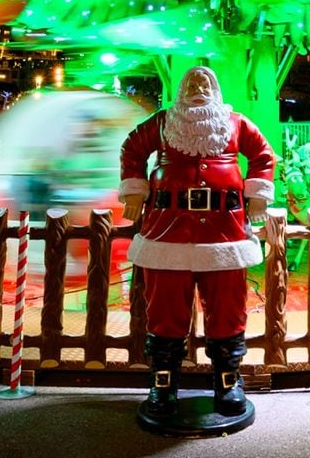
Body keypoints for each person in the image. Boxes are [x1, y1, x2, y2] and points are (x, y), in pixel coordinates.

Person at [118, 65, 275, 420]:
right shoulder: (161, 123)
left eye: (204, 82)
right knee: (164, 311)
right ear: (180, 89)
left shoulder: (234, 123)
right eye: (192, 82)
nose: (198, 87)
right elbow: (132, 149)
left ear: (215, 89)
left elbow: (263, 155)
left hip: (225, 233)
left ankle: (228, 380)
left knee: (227, 309)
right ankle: (162, 383)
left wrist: (258, 194)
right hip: (166, 232)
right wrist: (134, 189)